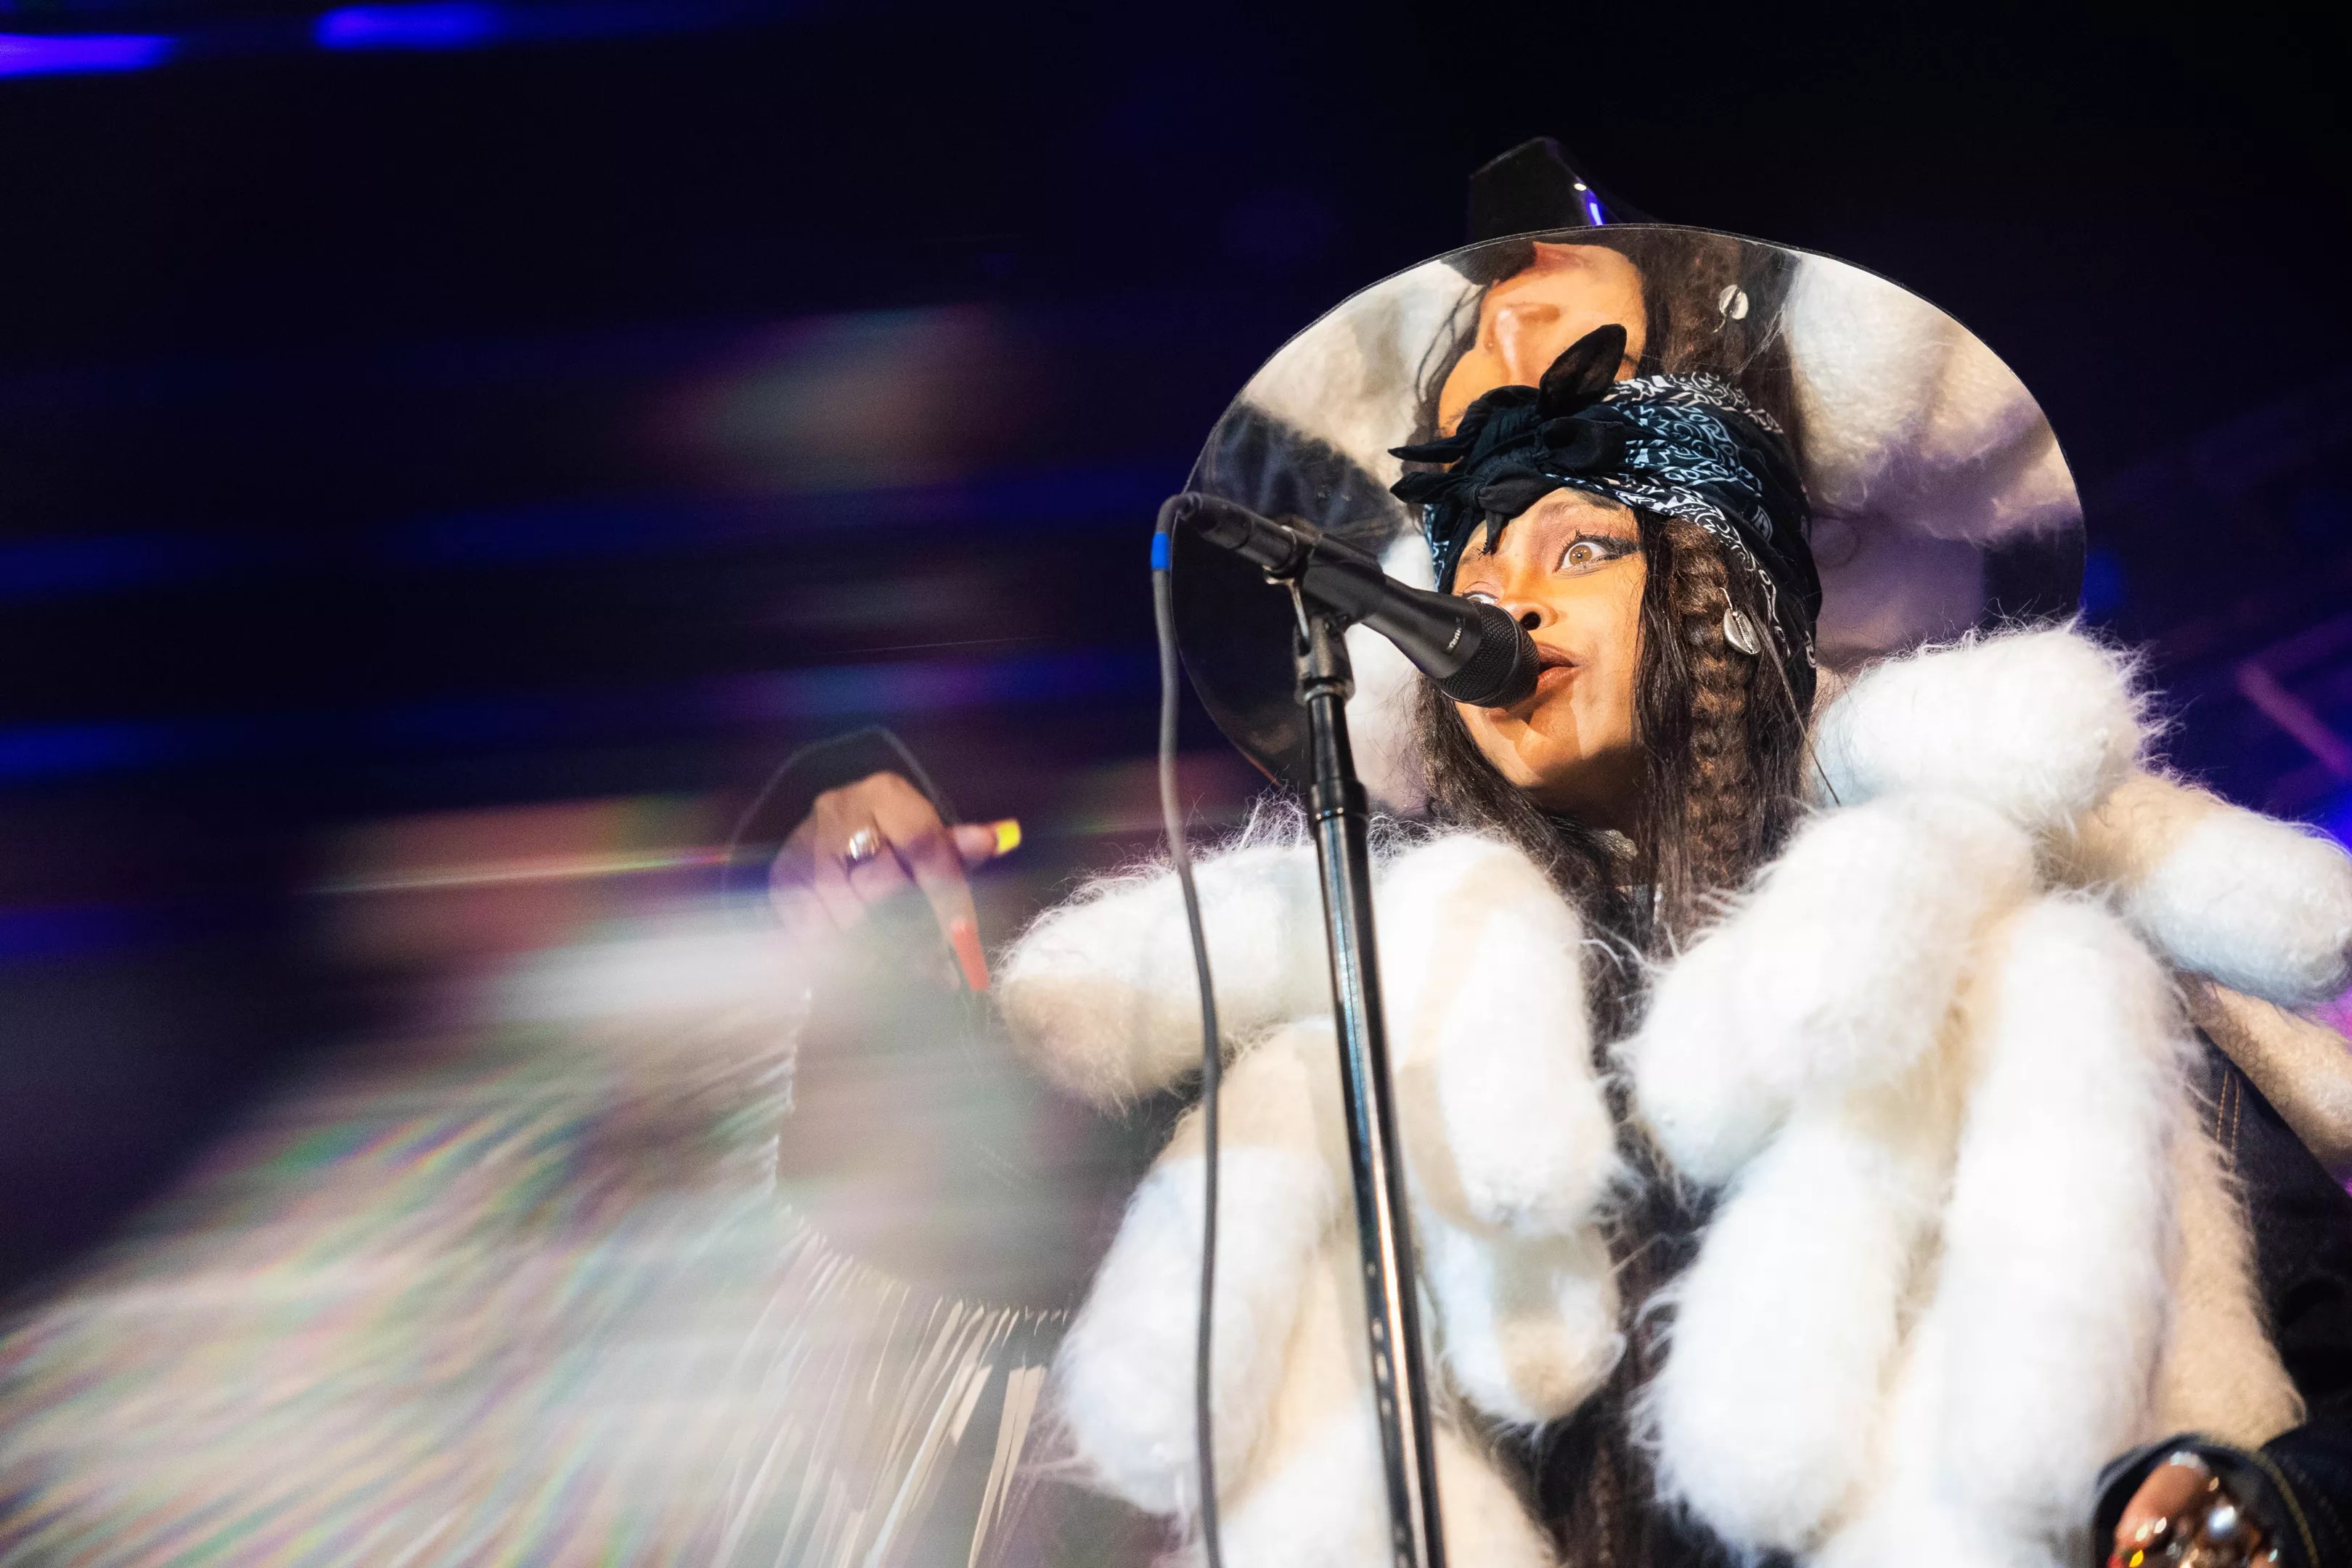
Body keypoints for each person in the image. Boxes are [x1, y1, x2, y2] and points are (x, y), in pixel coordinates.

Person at [768, 271, 2352, 1566]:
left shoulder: (1996, 943)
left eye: (1584, 545)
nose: (1505, 597)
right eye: (1473, 561)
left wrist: (2258, 1509)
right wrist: (873, 941)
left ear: (1737, 608)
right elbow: (956, 1201)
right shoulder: (1364, 1005)